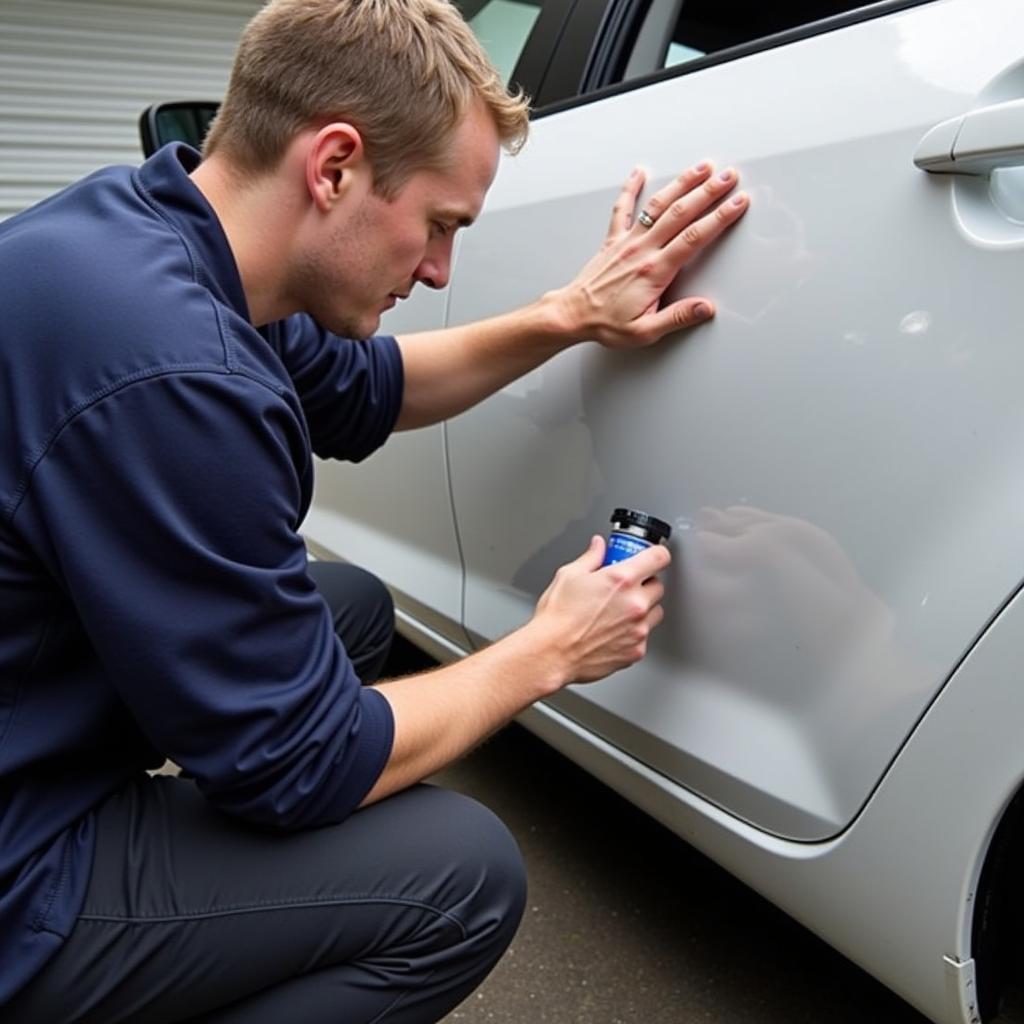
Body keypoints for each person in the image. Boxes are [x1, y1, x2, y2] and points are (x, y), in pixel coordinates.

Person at [0, 0, 749, 1020]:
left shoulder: (148, 237)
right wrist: (550, 651)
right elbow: (300, 764)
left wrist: (569, 315)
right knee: (458, 874)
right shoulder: (176, 372)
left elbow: (370, 389)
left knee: (346, 605)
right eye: (439, 224)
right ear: (335, 166)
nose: (439, 268)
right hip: (17, 870)